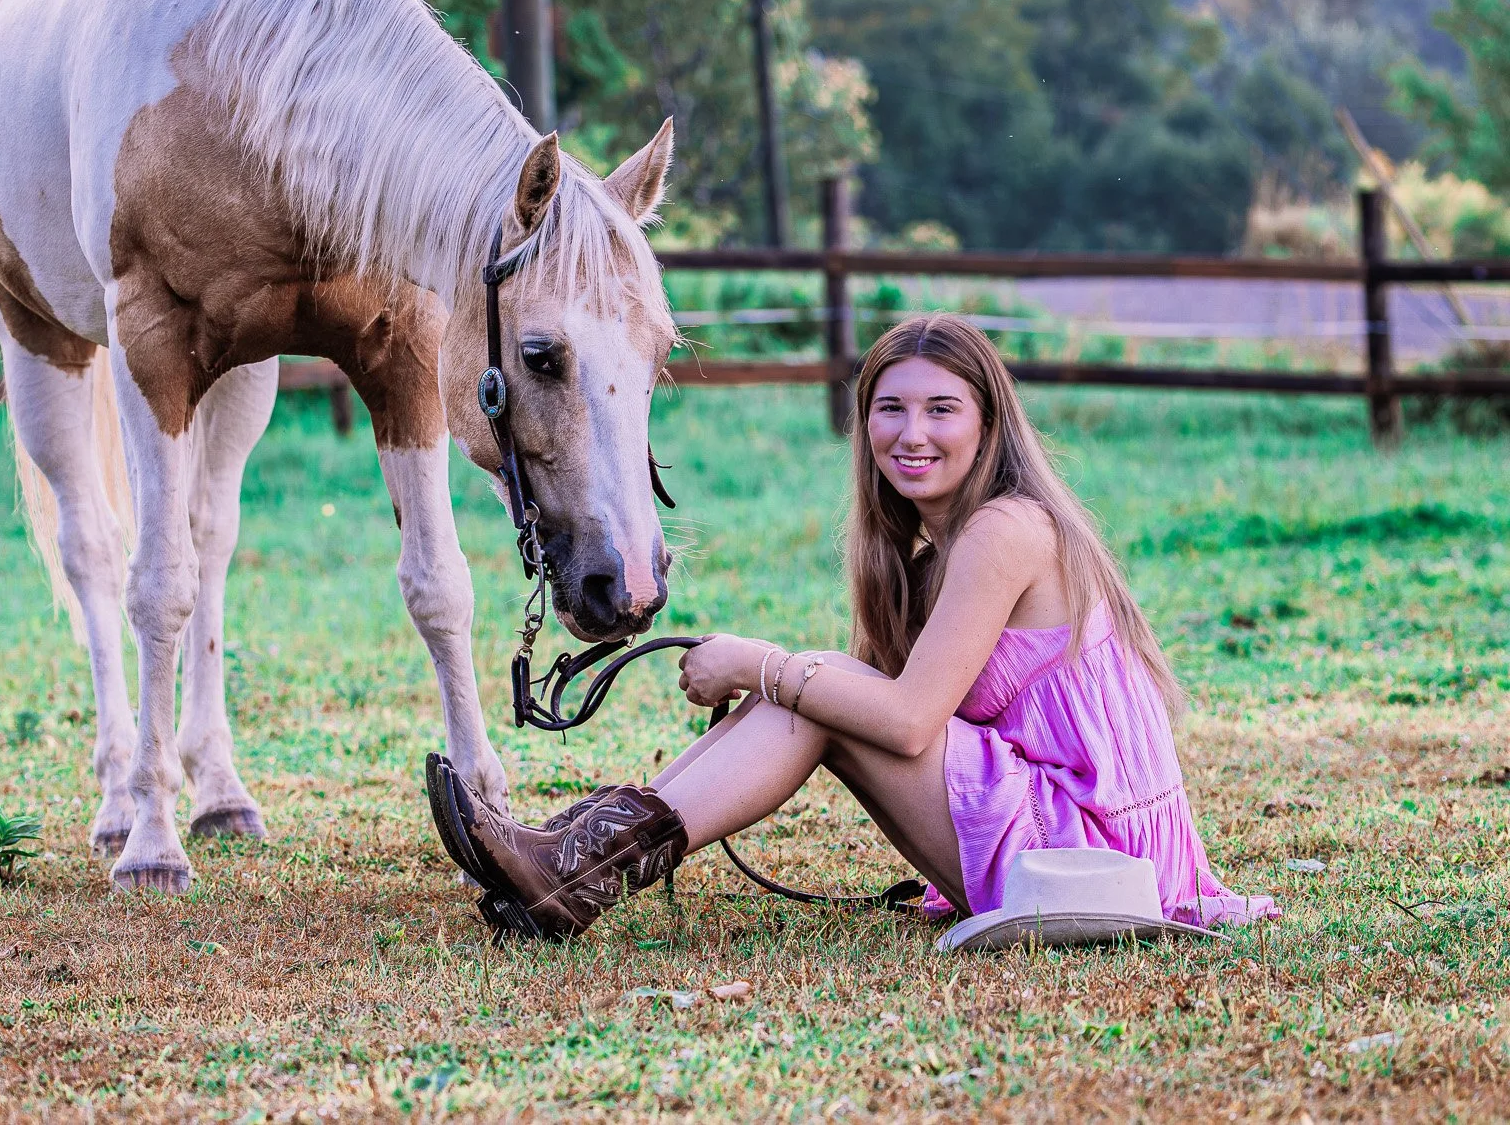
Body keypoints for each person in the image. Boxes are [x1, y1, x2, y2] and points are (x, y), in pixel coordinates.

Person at [426, 313, 1276, 941]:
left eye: (942, 410)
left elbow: (906, 721)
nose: (912, 434)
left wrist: (758, 663)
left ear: (988, 423)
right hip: (1047, 838)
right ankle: (568, 855)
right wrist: (780, 671)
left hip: (1088, 858)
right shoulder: (925, 549)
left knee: (805, 689)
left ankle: (575, 870)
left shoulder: (1004, 531)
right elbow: (876, 704)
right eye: (890, 409)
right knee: (812, 685)